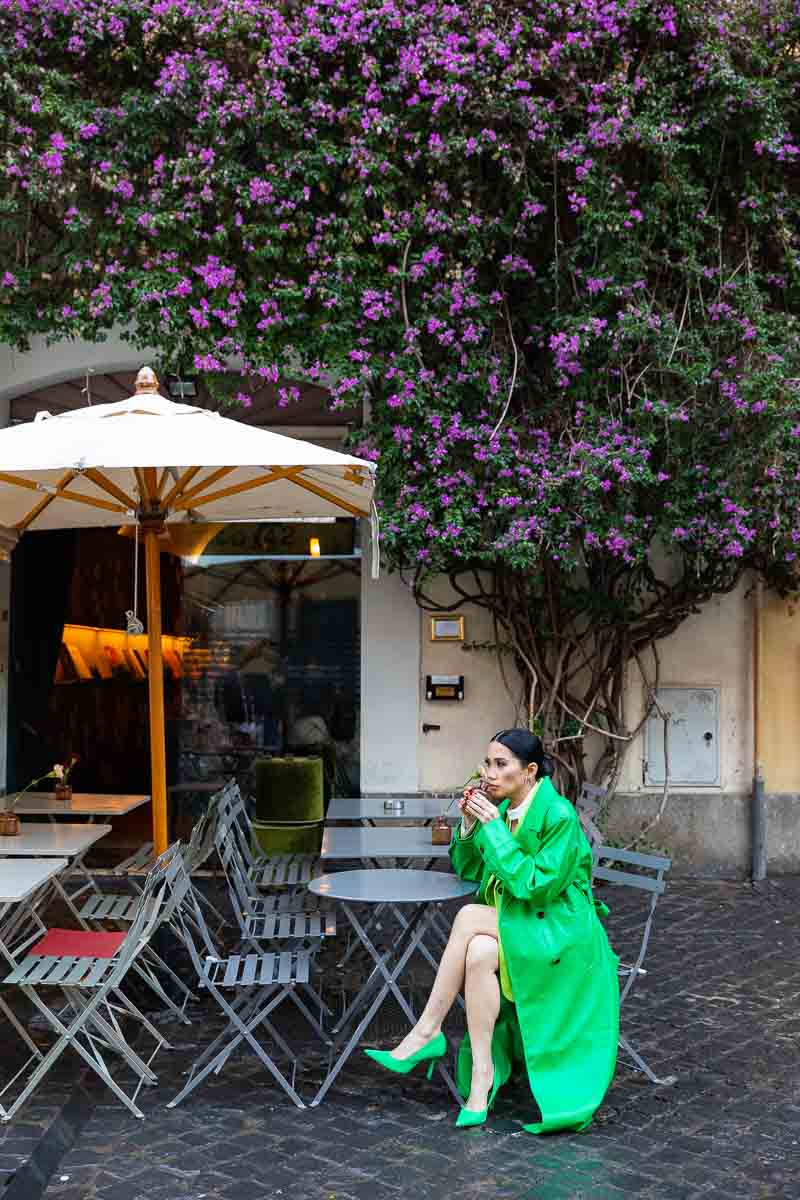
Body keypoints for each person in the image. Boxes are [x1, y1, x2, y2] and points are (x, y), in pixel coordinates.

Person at [364, 728, 619, 1132]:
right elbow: (472, 870)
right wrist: (469, 826)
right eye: (487, 763)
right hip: (516, 923)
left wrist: (494, 828)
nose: (489, 773)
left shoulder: (558, 816)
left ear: (530, 771)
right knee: (479, 951)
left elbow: (535, 887)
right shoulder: (502, 809)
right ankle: (481, 1079)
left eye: (501, 765)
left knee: (468, 918)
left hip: (559, 931)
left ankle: (427, 1030)